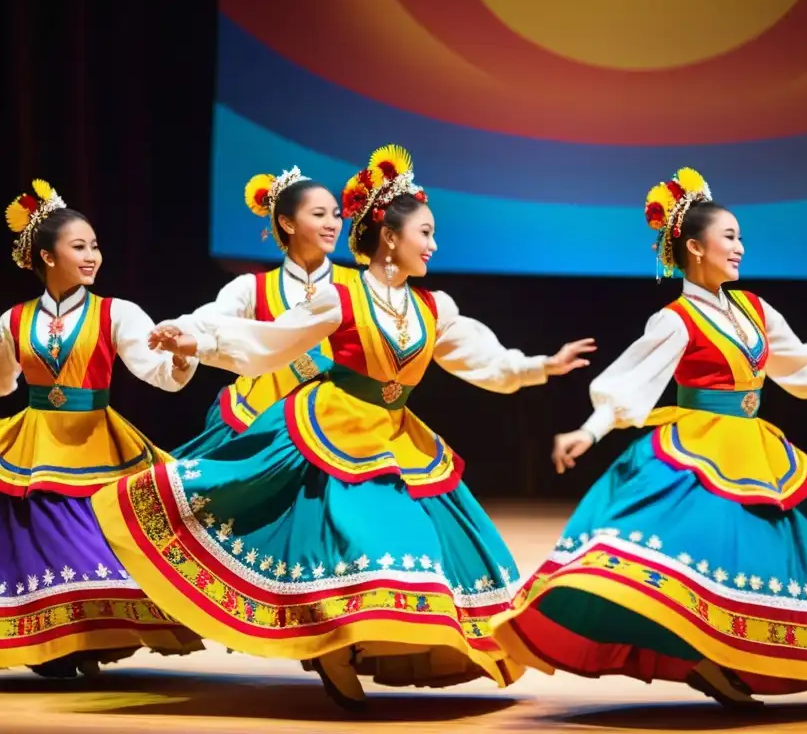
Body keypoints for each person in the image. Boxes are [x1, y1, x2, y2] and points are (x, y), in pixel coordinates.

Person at [91, 145, 596, 709]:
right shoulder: (341, 295)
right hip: (330, 426)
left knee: (416, 545)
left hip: (396, 434)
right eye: (425, 233)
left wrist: (539, 367)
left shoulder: (435, 306)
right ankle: (332, 644)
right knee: (352, 536)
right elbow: (271, 341)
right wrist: (199, 339)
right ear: (389, 238)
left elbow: (483, 359)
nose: (433, 245)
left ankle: (366, 641)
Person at [490, 167, 807, 707]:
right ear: (695, 248)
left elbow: (802, 362)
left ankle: (729, 661)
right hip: (697, 448)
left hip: (755, 445)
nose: (740, 247)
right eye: (730, 237)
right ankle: (705, 659)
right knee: (701, 556)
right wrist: (589, 430)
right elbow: (633, 383)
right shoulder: (675, 320)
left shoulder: (754, 310)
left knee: (779, 550)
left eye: (741, 237)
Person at [0, 179, 202, 678]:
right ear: (47, 257)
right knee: (34, 536)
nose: (93, 256)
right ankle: (58, 642)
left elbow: (156, 372)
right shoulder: (13, 320)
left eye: (94, 246)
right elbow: (4, 382)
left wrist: (177, 358)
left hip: (97, 438)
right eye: (79, 247)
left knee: (98, 543)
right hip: (35, 440)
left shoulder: (118, 313)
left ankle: (89, 638)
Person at [158, 167, 344, 459]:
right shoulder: (252, 288)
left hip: (337, 427)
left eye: (336, 214)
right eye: (319, 214)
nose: (332, 223)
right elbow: (212, 320)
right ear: (287, 222)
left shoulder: (356, 287)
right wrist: (178, 332)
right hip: (258, 422)